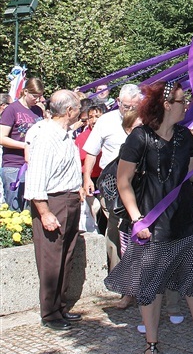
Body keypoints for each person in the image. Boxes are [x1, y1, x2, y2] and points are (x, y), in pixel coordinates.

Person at [104, 81, 193, 354]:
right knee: (150, 287)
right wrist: (137, 219)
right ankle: (151, 343)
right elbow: (123, 182)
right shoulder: (139, 138)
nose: (186, 105)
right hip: (152, 222)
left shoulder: (186, 136)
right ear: (164, 104)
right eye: (180, 100)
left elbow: (192, 175)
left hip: (186, 220)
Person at [23, 90, 84, 331]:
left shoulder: (64, 133)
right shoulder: (46, 136)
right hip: (53, 202)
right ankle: (49, 313)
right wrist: (45, 212)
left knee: (66, 255)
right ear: (68, 111)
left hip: (68, 199)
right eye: (78, 107)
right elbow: (36, 178)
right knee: (51, 259)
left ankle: (60, 307)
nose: (81, 110)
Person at [83, 84, 142, 280]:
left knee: (141, 225)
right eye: (126, 106)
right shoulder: (106, 121)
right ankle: (119, 276)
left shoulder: (146, 119)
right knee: (116, 227)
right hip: (111, 185)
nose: (130, 110)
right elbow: (91, 151)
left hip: (141, 183)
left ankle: (141, 276)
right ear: (118, 102)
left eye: (134, 106)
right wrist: (87, 179)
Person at [0, 77, 44, 211]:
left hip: (34, 166)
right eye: (34, 96)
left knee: (30, 209)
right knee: (15, 209)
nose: (37, 100)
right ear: (25, 91)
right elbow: (1, 138)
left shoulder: (37, 110)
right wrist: (25, 145)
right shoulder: (12, 109)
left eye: (40, 96)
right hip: (14, 165)